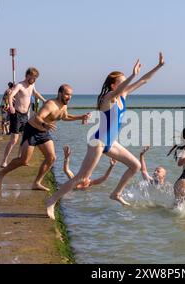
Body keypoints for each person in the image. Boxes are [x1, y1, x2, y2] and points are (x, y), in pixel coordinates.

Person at [46, 53, 165, 220]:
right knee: (82, 177)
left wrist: (158, 66)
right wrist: (132, 75)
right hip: (99, 142)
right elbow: (128, 84)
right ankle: (52, 200)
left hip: (111, 142)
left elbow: (144, 80)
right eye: (122, 81)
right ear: (113, 85)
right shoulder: (107, 98)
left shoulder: (122, 96)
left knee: (135, 166)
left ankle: (116, 193)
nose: (125, 84)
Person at [0, 84, 91, 195]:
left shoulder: (64, 106)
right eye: (67, 94)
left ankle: (36, 183)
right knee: (24, 160)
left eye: (71, 95)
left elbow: (64, 117)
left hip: (43, 132)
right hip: (32, 130)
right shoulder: (50, 104)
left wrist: (80, 117)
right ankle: (0, 174)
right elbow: (37, 117)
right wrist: (45, 124)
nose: (69, 97)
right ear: (60, 93)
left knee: (51, 158)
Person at [0, 67, 47, 168]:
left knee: (25, 139)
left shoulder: (32, 85)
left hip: (26, 115)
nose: (34, 80)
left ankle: (20, 159)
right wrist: (11, 107)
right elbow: (10, 96)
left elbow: (35, 93)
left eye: (35, 78)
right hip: (17, 114)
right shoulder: (20, 85)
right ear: (27, 75)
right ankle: (4, 161)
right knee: (14, 140)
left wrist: (44, 100)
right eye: (32, 78)